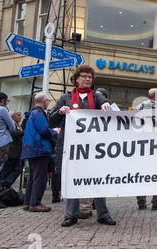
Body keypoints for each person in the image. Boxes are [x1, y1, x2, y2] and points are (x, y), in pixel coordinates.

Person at [49, 65, 116, 227]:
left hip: (94, 148)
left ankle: (102, 214)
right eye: (84, 76)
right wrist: (60, 112)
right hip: (72, 148)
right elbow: (51, 120)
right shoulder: (65, 98)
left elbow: (108, 104)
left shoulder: (96, 97)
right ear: (76, 78)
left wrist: (106, 104)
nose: (87, 79)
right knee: (72, 180)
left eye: (90, 77)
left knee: (98, 179)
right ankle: (70, 215)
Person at [21, 93, 57, 212]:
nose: (48, 103)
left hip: (31, 148)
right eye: (48, 101)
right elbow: (44, 131)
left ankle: (28, 202)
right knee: (40, 178)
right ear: (44, 101)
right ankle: (35, 203)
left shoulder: (31, 113)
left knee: (33, 177)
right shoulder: (39, 113)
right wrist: (55, 131)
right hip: (39, 148)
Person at [136, 88, 157, 210]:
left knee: (141, 173)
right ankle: (156, 202)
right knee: (156, 173)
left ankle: (141, 202)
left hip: (142, 144)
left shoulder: (141, 105)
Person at [0, 110, 24, 191]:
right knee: (8, 169)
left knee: (17, 169)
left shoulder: (18, 125)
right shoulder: (11, 124)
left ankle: (5, 184)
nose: (20, 117)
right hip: (11, 151)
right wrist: (23, 132)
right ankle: (3, 184)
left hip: (17, 151)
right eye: (18, 115)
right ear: (13, 116)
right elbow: (13, 133)